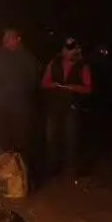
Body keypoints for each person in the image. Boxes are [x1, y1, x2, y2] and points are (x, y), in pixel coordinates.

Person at [41, 37, 92, 178]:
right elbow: (44, 83)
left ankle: (71, 168)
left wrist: (73, 87)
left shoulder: (83, 66)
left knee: (71, 138)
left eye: (71, 49)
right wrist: (55, 85)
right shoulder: (54, 63)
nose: (68, 52)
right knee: (52, 137)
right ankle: (52, 167)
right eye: (66, 49)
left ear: (76, 50)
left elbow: (88, 88)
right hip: (54, 106)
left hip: (71, 106)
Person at [0, 29, 37, 160]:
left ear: (17, 39)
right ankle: (5, 171)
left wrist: (20, 92)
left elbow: (32, 79)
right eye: (6, 39)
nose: (8, 41)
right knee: (3, 140)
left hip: (20, 107)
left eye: (11, 38)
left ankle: (21, 170)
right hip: (2, 107)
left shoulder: (26, 57)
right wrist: (0, 94)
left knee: (21, 141)